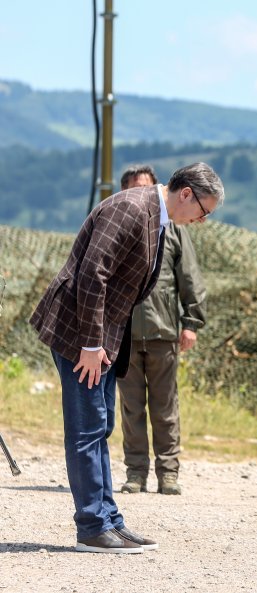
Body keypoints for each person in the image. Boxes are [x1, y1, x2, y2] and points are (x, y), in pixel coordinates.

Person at [30, 162, 223, 554]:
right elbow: (92, 274)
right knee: (87, 430)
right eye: (204, 211)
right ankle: (92, 526)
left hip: (102, 337)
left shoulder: (158, 217)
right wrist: (90, 343)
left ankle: (110, 520)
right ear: (186, 193)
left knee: (102, 425)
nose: (202, 220)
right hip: (79, 334)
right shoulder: (133, 208)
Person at [116, 164, 207, 496]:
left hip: (163, 331)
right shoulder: (121, 225)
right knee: (131, 408)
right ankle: (135, 473)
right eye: (134, 188)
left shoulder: (174, 230)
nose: (142, 193)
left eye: (146, 187)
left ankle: (168, 473)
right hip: (124, 335)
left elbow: (190, 279)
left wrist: (192, 323)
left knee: (165, 407)